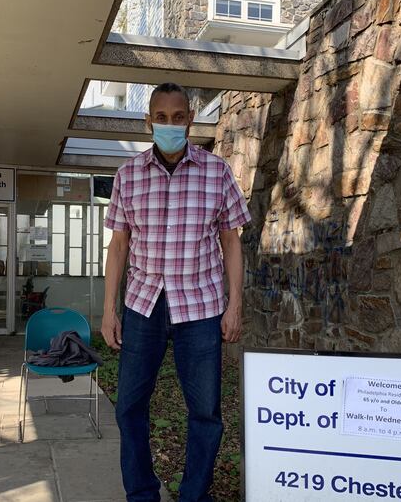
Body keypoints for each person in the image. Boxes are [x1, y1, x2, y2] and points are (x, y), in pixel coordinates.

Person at [102, 82, 251, 502]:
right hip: (142, 305)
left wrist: (235, 305)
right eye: (162, 118)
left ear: (190, 119)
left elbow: (231, 241)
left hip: (200, 307)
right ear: (148, 121)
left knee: (205, 412)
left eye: (178, 117)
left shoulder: (217, 172)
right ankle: (142, 494)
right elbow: (118, 246)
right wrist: (109, 310)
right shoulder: (128, 175)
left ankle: (194, 494)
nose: (170, 124)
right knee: (129, 407)